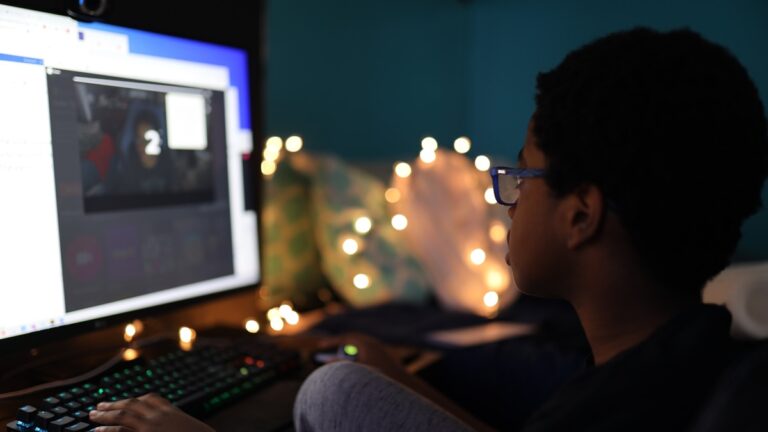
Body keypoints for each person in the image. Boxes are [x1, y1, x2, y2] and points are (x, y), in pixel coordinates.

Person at [87, 27, 768, 432]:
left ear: (581, 215)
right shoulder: (681, 360)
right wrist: (397, 378)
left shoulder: (621, 410)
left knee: (332, 391)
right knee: (354, 380)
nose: (506, 202)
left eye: (520, 178)